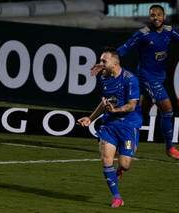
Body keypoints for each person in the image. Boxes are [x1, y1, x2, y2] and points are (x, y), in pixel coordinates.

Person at [92, 4, 179, 160]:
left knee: (139, 112)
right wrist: (106, 62)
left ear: (164, 16)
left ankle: (116, 138)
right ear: (149, 17)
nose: (156, 18)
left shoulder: (169, 31)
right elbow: (123, 49)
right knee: (167, 108)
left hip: (159, 77)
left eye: (159, 15)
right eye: (152, 15)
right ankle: (170, 147)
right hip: (146, 76)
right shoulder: (142, 34)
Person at [78, 47, 142, 208]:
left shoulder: (130, 79)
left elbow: (132, 105)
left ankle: (120, 170)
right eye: (100, 60)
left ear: (115, 63)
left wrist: (116, 110)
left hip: (129, 125)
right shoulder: (104, 78)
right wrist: (90, 118)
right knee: (106, 159)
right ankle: (117, 197)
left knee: (125, 164)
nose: (100, 64)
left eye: (103, 61)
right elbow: (105, 101)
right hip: (109, 125)